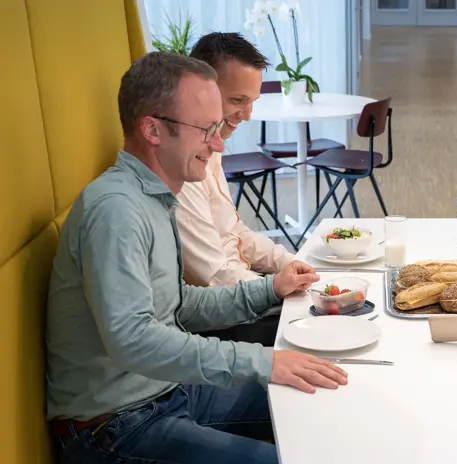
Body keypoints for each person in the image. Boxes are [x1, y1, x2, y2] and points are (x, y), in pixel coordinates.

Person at [45, 52, 348, 464]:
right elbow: (133, 341)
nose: (220, 143)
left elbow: (179, 305)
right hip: (112, 427)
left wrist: (271, 289)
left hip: (165, 393)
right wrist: (262, 361)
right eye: (207, 129)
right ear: (152, 129)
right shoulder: (116, 210)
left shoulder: (152, 197)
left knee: (319, 405)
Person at [174, 32, 295, 345]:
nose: (248, 115)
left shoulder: (210, 148)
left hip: (243, 293)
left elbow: (233, 232)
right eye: (238, 100)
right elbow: (213, 277)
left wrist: (288, 264)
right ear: (201, 90)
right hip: (222, 320)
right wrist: (274, 289)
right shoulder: (181, 166)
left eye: (252, 102)